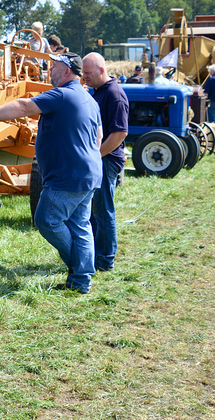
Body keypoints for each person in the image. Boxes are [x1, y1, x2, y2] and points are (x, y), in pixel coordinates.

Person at [0, 52, 102, 294]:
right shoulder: (90, 100)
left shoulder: (62, 94)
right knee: (80, 224)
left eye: (54, 66)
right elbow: (98, 137)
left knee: (46, 220)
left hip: (67, 174)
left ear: (67, 71)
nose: (50, 70)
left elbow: (25, 106)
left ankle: (80, 269)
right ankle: (81, 281)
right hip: (89, 172)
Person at [82, 53, 129, 272]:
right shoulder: (100, 91)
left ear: (102, 70)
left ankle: (105, 260)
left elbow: (119, 133)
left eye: (88, 73)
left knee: (103, 210)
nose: (84, 77)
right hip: (101, 158)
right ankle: (96, 255)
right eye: (82, 73)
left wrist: (96, 155)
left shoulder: (114, 94)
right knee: (94, 211)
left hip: (106, 159)